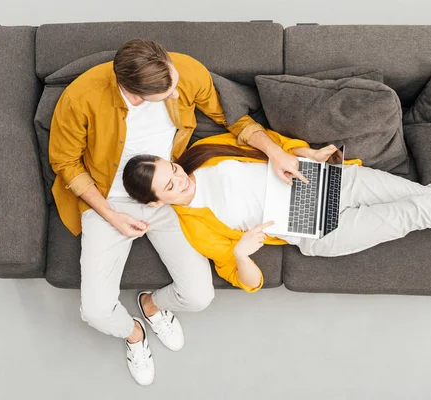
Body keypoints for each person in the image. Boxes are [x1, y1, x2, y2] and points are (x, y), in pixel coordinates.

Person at [48, 39, 307, 386]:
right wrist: (111, 215)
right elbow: (65, 162)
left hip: (170, 192)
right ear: (132, 91)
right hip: (108, 199)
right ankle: (135, 334)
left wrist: (274, 152)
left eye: (173, 80)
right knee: (95, 312)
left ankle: (151, 305)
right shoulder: (82, 97)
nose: (176, 93)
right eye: (166, 91)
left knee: (199, 297)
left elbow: (230, 117)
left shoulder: (184, 71)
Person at [122, 131, 431, 294]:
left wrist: (305, 152)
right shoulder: (196, 230)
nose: (180, 179)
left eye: (172, 170)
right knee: (421, 211)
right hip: (320, 229)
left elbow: (274, 147)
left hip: (329, 181)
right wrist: (243, 253)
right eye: (169, 185)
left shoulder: (204, 154)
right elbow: (248, 280)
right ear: (156, 202)